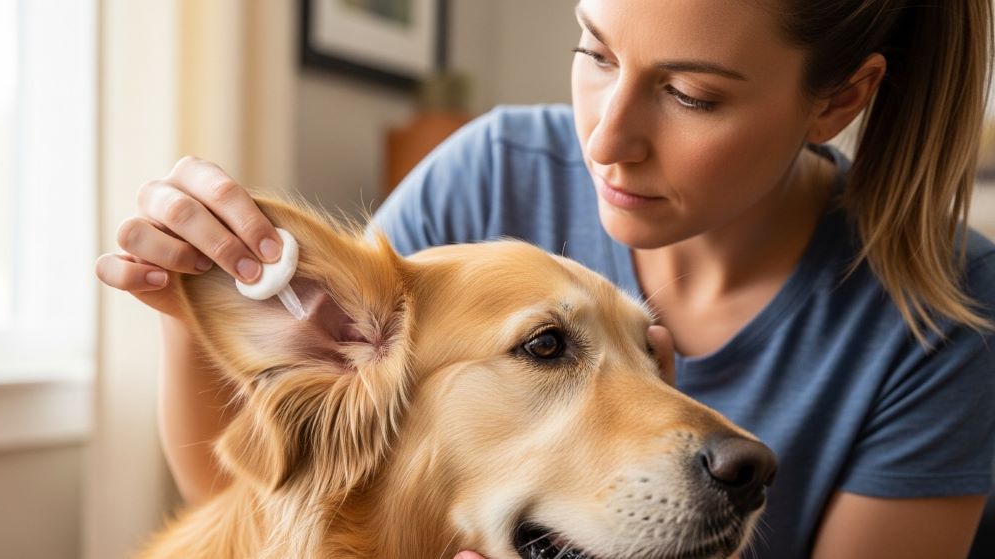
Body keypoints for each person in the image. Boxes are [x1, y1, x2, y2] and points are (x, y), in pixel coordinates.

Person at [95, 0, 995, 557]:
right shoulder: (483, 173)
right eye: (597, 52)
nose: (603, 139)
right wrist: (192, 303)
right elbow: (286, 500)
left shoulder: (950, 312)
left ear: (838, 99)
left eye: (690, 95)